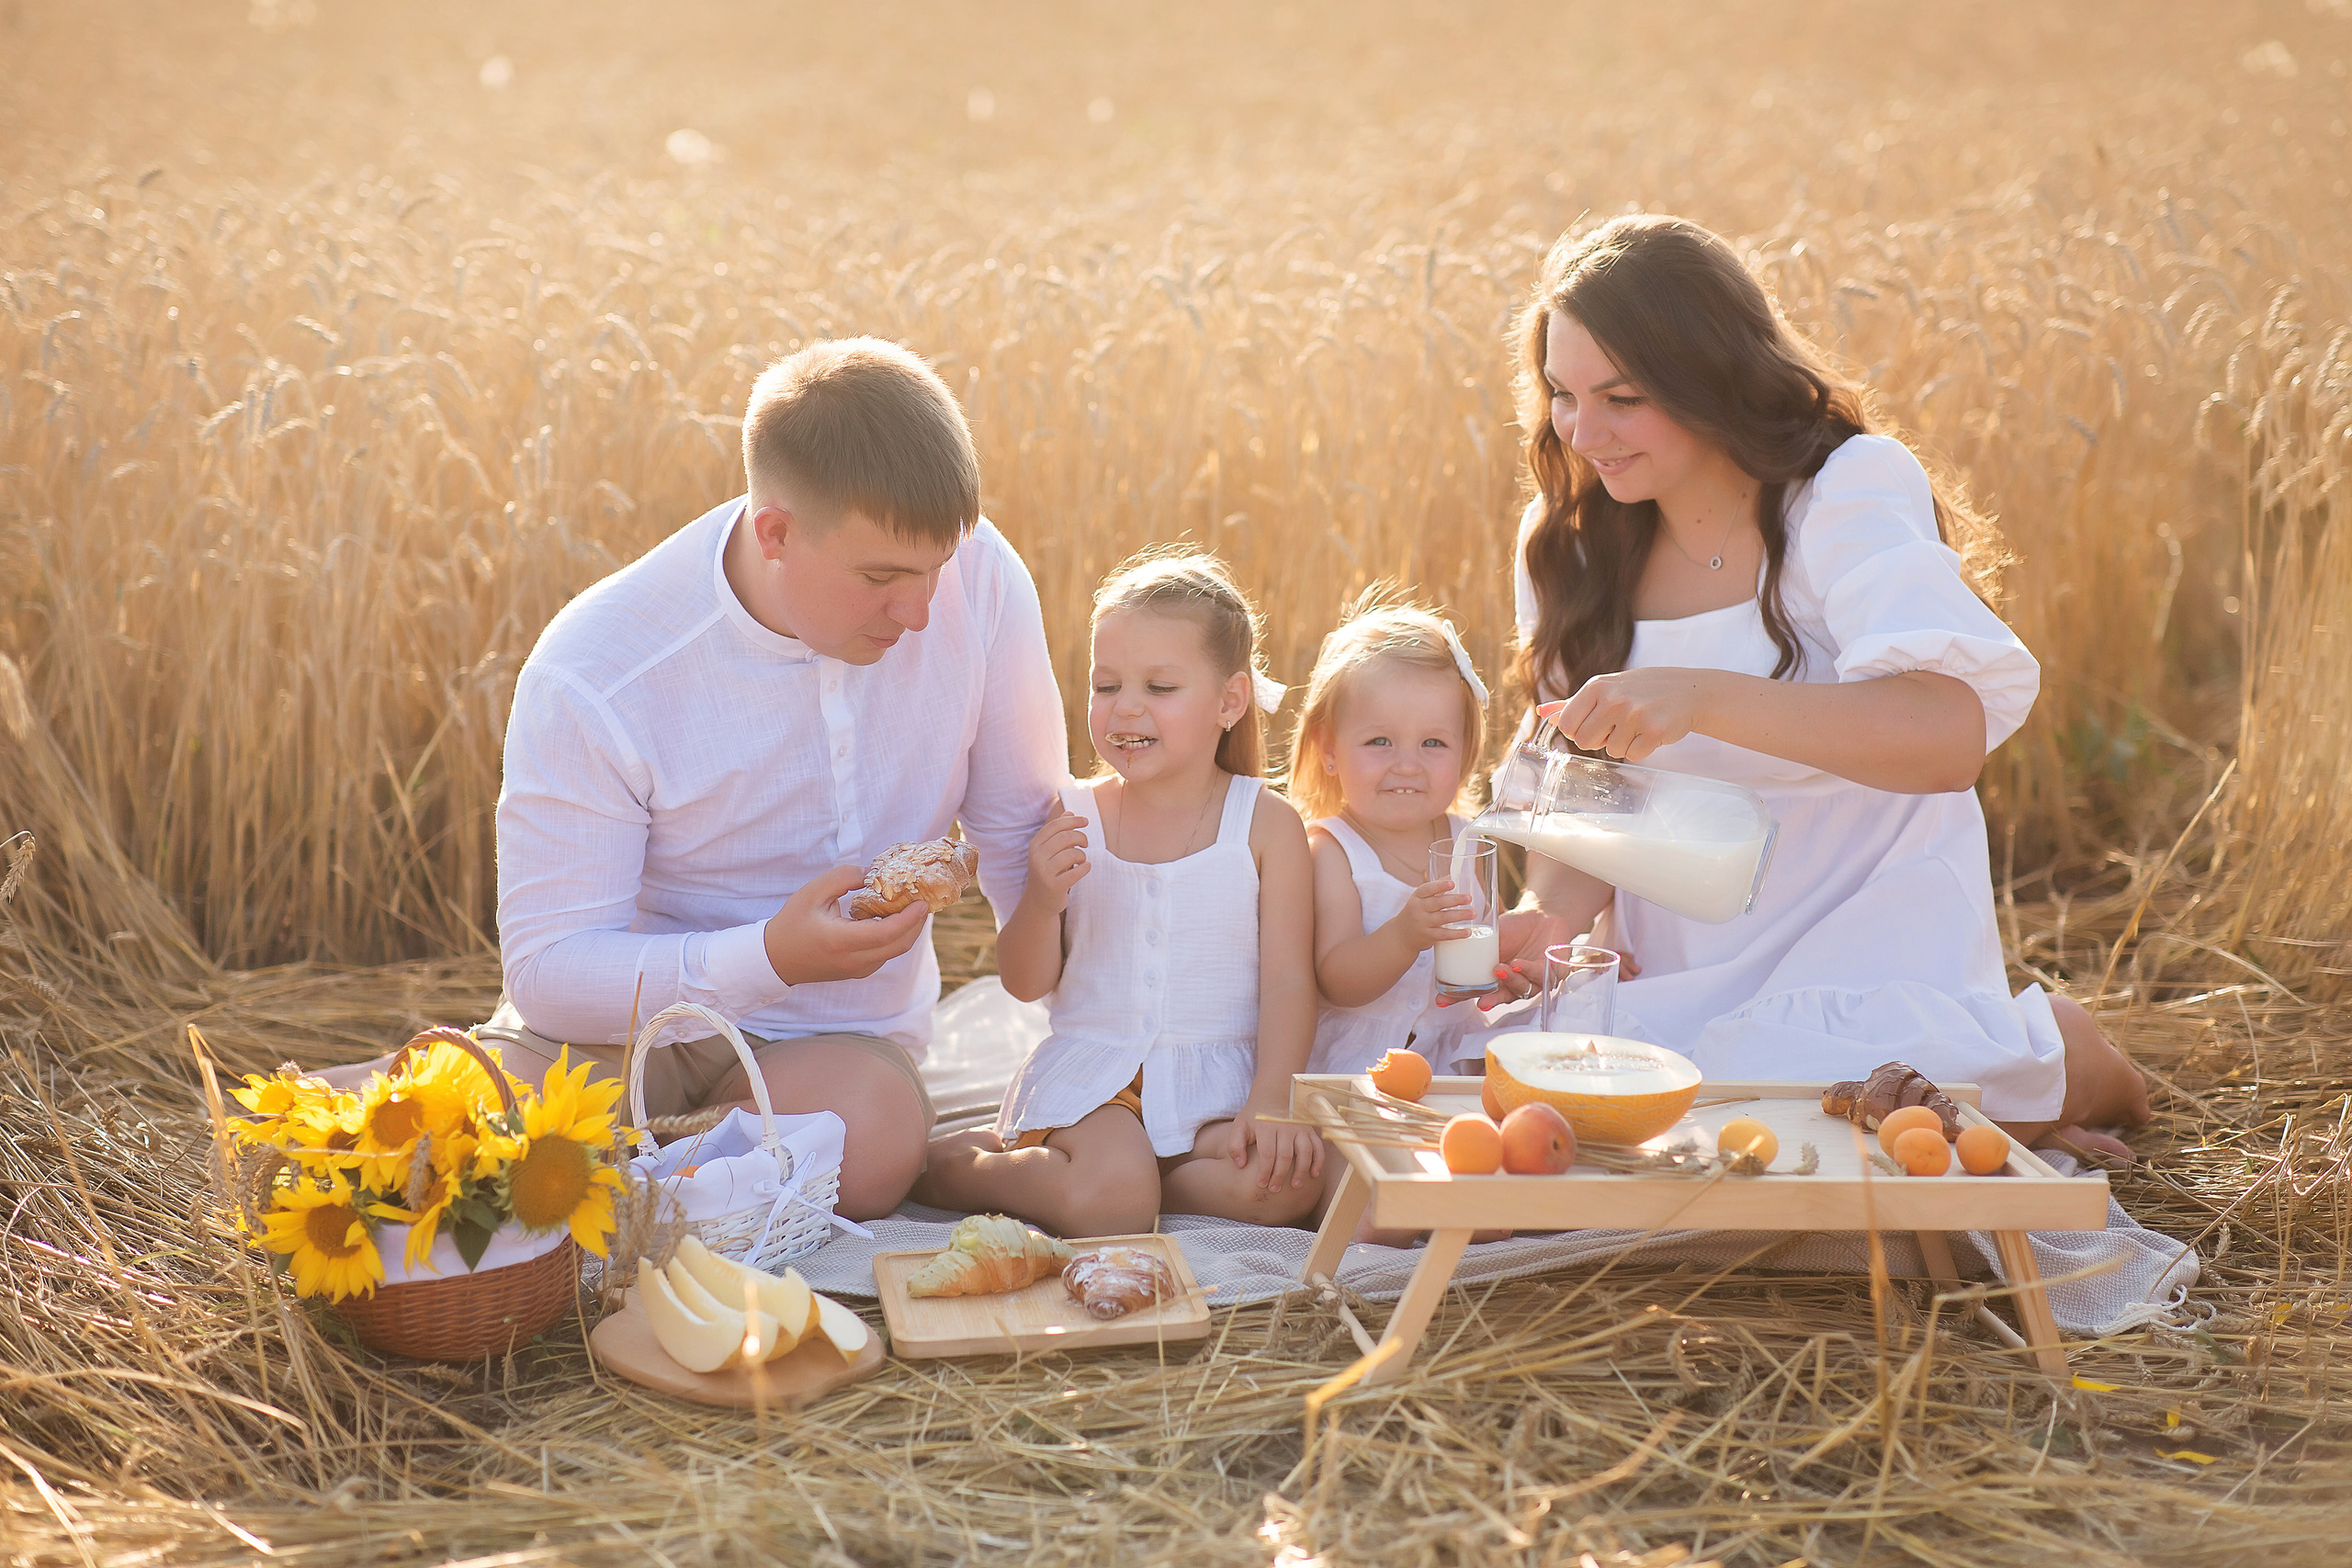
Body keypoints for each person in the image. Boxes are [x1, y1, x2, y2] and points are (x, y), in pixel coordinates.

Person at [325, 338, 1068, 1219]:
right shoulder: (598, 671)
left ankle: (629, 1173)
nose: (917, 611)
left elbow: (1024, 839)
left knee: (867, 1147)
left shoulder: (980, 582)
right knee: (430, 1152)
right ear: (776, 533)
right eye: (881, 578)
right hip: (626, 1029)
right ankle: (383, 1108)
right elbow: (550, 967)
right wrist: (768, 956)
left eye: (934, 571)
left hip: (840, 1045)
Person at [1494, 214, 2148, 1163]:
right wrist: (1545, 924)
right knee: (1538, 1083)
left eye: (1622, 398)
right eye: (1561, 394)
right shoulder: (1567, 543)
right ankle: (2007, 1085)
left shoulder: (1843, 490)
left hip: (1866, 926)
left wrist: (1702, 698)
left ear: (1709, 378)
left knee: (1801, 1107)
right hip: (1690, 953)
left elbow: (1945, 736)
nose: (1583, 432)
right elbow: (1588, 798)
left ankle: (2069, 1057)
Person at [912, 551, 1326, 1235]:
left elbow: (1288, 980)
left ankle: (1139, 1187)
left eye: (1160, 687)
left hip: (1213, 1087)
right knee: (1112, 1199)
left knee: (1286, 1183)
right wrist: (1042, 900)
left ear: (1230, 700)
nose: (1125, 707)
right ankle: (961, 1166)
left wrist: (1274, 1098)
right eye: (1106, 685)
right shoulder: (1075, 816)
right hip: (1097, 1083)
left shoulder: (1267, 823)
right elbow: (1023, 982)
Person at [1287, 594, 1503, 1076]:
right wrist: (1405, 936)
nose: (1406, 763)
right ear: (1329, 750)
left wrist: (1514, 965)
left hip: (1452, 1060)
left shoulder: (1467, 843)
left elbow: (1493, 943)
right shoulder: (1333, 850)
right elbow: (1335, 978)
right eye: (1379, 741)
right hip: (1362, 1072)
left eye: (1433, 742)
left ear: (1466, 752)